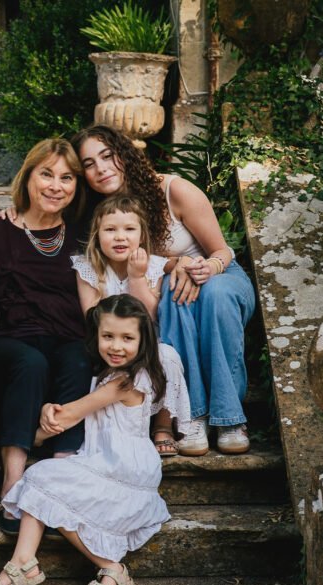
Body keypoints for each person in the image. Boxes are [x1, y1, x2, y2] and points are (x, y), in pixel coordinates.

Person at [0, 294, 175, 585]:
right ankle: (23, 563)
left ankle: (108, 567)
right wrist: (49, 413)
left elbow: (70, 415)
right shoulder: (105, 375)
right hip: (104, 460)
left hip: (124, 467)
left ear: (143, 340)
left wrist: (45, 418)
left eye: (127, 338)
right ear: (96, 336)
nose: (116, 346)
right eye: (107, 336)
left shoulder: (126, 381)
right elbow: (64, 418)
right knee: (41, 479)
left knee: (40, 477)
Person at [72, 125, 256, 455]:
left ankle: (229, 418)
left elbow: (222, 251)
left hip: (218, 276)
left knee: (212, 294)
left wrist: (205, 269)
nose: (100, 168)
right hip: (171, 284)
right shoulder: (101, 213)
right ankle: (194, 415)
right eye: (88, 163)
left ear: (124, 155)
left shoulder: (174, 190)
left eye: (107, 156)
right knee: (174, 294)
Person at [0, 138, 91, 534]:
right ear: (29, 177)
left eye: (67, 178)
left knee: (77, 358)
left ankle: (63, 479)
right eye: (46, 174)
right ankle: (12, 485)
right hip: (11, 341)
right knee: (30, 362)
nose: (56, 186)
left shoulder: (83, 234)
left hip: (66, 337)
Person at [71, 195, 191, 455]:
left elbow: (149, 317)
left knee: (168, 356)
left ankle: (162, 426)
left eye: (129, 229)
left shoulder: (154, 266)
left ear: (141, 235)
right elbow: (92, 316)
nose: (120, 237)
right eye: (110, 230)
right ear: (97, 234)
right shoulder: (87, 268)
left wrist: (137, 277)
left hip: (145, 348)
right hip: (107, 348)